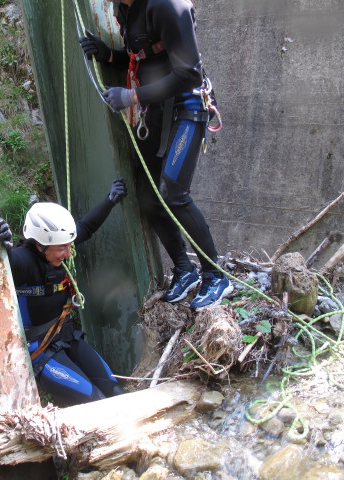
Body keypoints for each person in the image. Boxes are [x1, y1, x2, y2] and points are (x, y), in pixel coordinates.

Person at [78, 0, 233, 309]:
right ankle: (184, 270)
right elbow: (146, 57)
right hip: (158, 112)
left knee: (174, 193)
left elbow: (188, 72)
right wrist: (110, 55)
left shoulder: (167, 6)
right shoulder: (125, 8)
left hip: (188, 108)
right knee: (147, 194)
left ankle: (217, 276)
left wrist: (132, 96)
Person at [0, 178, 127, 406]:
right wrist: (0, 245)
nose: (68, 253)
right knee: (94, 400)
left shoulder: (58, 246)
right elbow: (5, 262)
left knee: (114, 388)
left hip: (66, 336)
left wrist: (110, 200)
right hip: (42, 352)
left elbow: (86, 227)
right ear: (39, 244)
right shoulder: (23, 262)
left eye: (68, 246)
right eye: (61, 248)